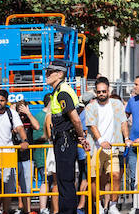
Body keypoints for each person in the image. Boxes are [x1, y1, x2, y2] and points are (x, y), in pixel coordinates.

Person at [43, 63, 87, 214]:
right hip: (64, 139)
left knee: (65, 181)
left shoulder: (62, 93)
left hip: (65, 139)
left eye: (50, 72)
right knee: (63, 180)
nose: (47, 75)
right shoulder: (59, 91)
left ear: (60, 74)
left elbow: (76, 119)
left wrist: (81, 137)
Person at [84, 77, 127, 214]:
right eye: (98, 92)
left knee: (115, 175)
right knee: (94, 179)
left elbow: (123, 122)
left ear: (108, 90)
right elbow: (92, 126)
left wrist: (127, 138)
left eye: (103, 91)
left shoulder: (117, 104)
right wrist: (101, 140)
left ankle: (113, 204)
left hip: (113, 147)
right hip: (96, 147)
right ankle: (98, 204)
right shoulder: (91, 106)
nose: (101, 94)